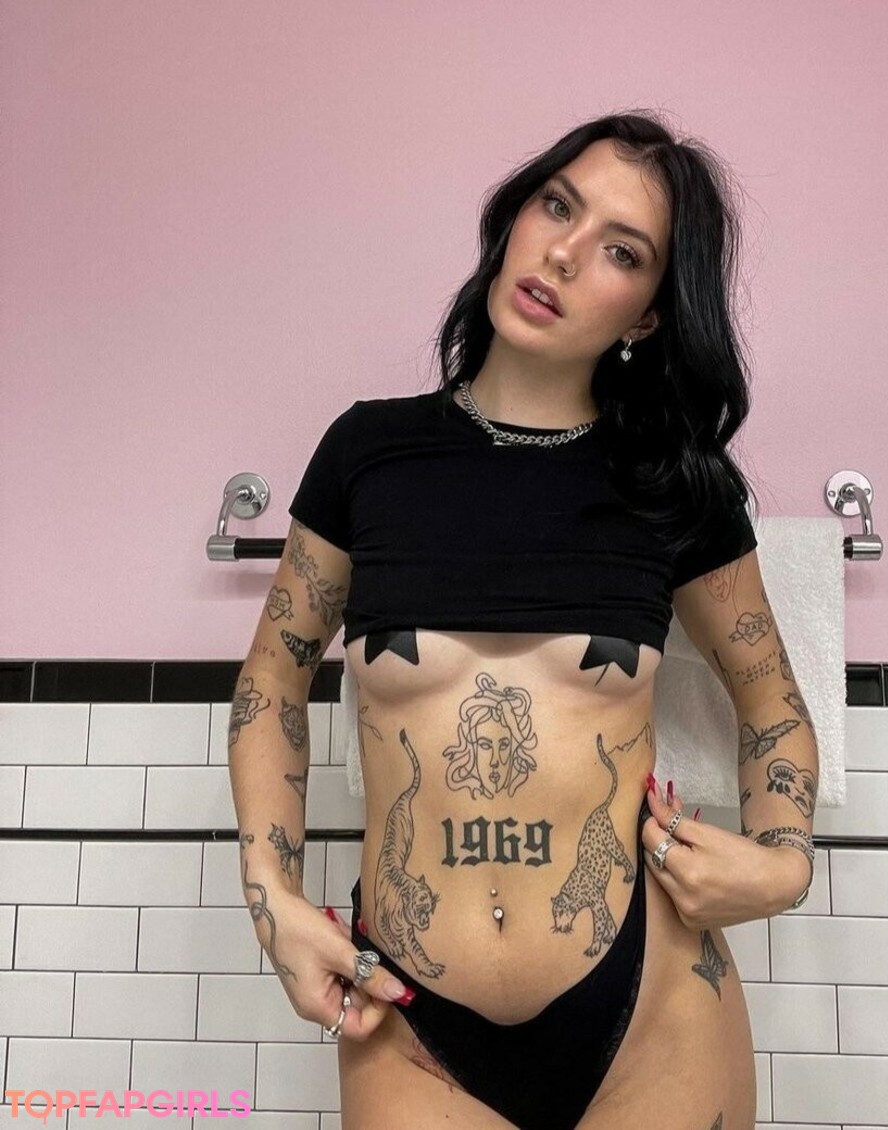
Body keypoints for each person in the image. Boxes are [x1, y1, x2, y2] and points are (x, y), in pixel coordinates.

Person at [227, 110, 818, 1130]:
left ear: (646, 316)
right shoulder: (370, 455)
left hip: (653, 1003)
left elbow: (771, 704)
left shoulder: (676, 486)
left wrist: (784, 860)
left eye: (621, 251)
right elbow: (272, 683)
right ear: (516, 217)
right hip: (410, 1020)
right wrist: (270, 898)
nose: (564, 253)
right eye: (557, 205)